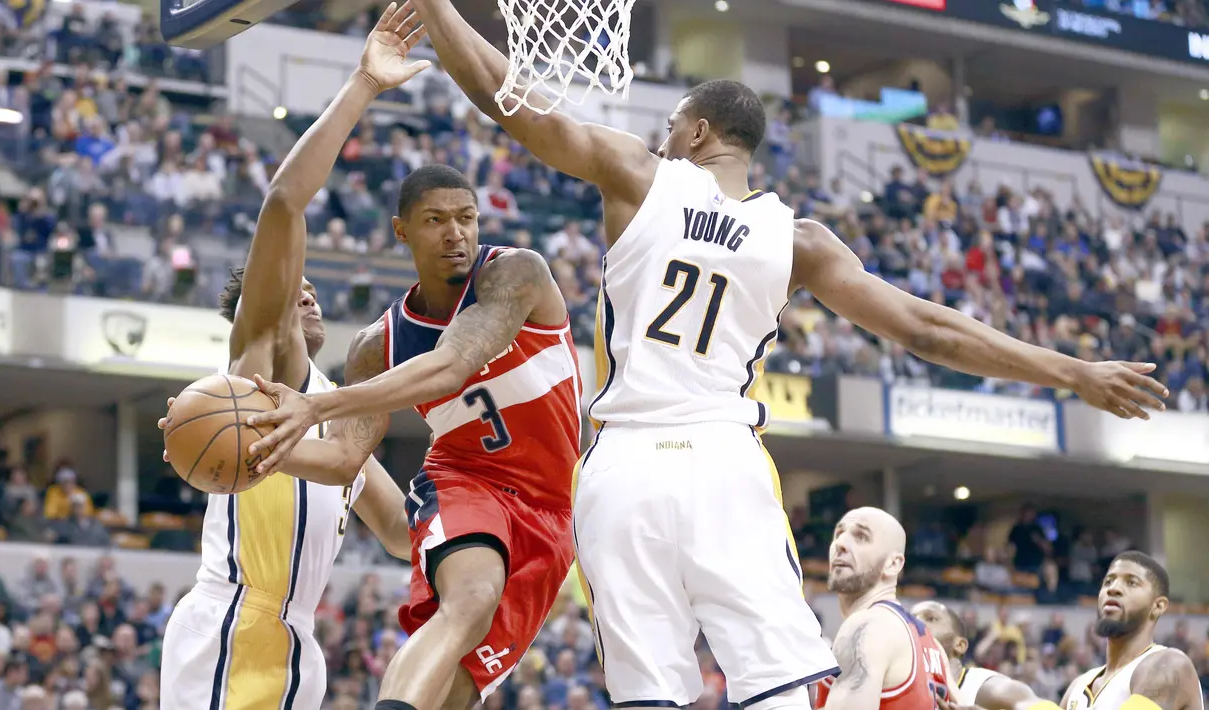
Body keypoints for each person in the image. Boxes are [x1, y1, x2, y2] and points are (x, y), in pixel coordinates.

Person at [375, 1, 1166, 709]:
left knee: (647, 695)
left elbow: (511, 102)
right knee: (780, 689)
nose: (661, 137)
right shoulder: (798, 242)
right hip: (723, 461)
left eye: (670, 126)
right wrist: (1072, 372)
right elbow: (930, 331)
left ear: (694, 132)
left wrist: (439, 9)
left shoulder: (637, 177)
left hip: (619, 471)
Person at [155, 5, 427, 708]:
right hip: (233, 621)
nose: (305, 297)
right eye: (291, 292)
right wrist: (363, 86)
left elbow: (400, 533)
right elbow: (284, 202)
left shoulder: (333, 417)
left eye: (312, 293)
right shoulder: (258, 374)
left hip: (298, 644)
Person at [247, 160, 581, 708]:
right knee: (471, 599)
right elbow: (342, 461)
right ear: (402, 231)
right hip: (468, 481)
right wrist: (260, 448)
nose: (456, 233)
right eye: (436, 220)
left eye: (467, 217)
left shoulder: (515, 272)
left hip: (557, 507)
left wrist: (315, 405)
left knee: (461, 690)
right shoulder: (376, 346)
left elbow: (452, 363)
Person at [814, 507, 952, 709]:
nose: (840, 544)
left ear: (893, 564)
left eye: (861, 537)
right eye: (838, 534)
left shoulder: (867, 626)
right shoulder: (932, 644)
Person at [1061, 552, 1201, 710]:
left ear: (1158, 606)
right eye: (1108, 582)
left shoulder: (1170, 665)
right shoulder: (1078, 686)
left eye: (1131, 583)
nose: (1113, 589)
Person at [911, 600, 1049, 710]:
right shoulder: (897, 688)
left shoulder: (988, 687)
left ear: (959, 645)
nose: (915, 622)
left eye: (931, 618)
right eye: (910, 618)